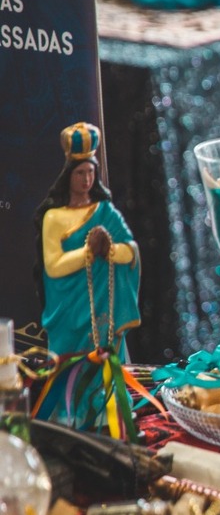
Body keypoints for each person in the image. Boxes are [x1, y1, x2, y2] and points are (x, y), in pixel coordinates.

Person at [31, 122, 142, 430]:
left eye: (91, 172)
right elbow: (53, 265)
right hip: (68, 308)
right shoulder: (53, 217)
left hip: (103, 306)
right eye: (80, 173)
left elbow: (131, 250)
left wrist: (111, 250)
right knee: (71, 358)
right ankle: (70, 414)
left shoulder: (106, 212)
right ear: (69, 175)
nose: (87, 179)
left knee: (105, 353)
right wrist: (88, 253)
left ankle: (109, 409)